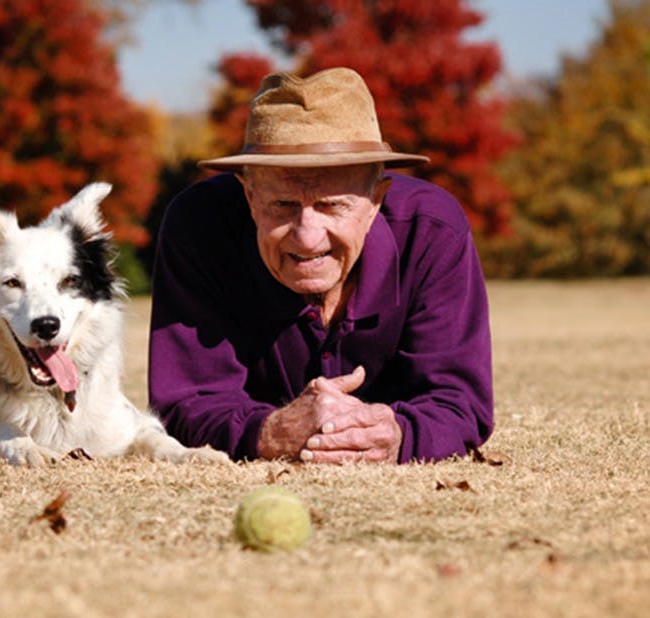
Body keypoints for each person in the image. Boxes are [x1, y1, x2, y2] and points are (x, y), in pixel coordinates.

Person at [147, 67, 493, 464]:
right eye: (283, 205)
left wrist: (397, 434)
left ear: (375, 201)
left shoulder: (434, 231)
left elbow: (459, 403)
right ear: (249, 195)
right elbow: (186, 404)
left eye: (332, 205)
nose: (308, 236)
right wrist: (270, 432)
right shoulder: (198, 227)